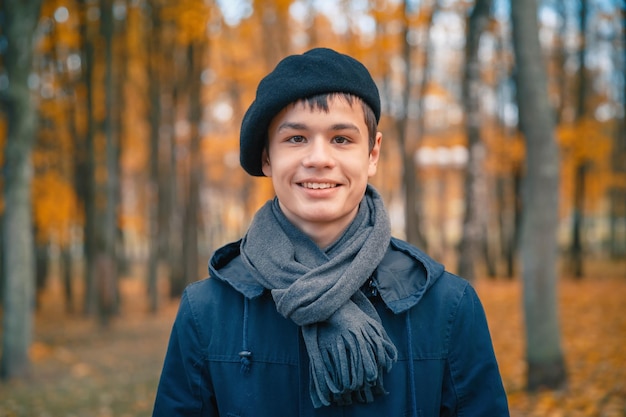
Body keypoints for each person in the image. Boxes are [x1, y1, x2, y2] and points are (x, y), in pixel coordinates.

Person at [152, 47, 509, 417]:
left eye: (341, 139)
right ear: (266, 157)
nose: (319, 159)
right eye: (296, 139)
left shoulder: (446, 307)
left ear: (372, 153)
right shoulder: (206, 310)